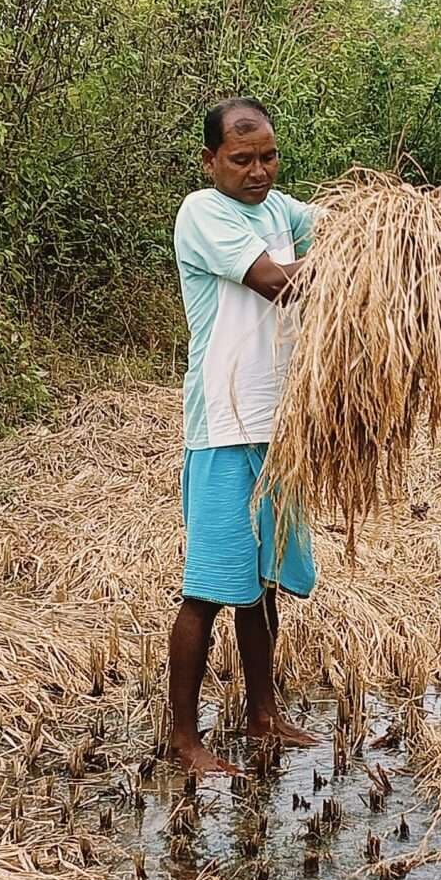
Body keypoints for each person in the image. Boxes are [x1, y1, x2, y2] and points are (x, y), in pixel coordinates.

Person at [164, 97, 322, 776]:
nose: (258, 171)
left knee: (262, 584)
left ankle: (262, 714)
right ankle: (184, 736)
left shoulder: (284, 211)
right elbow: (277, 285)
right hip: (224, 427)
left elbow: (340, 236)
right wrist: (357, 275)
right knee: (206, 590)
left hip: (277, 425)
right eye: (241, 158)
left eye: (267, 156)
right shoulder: (203, 213)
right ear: (211, 161)